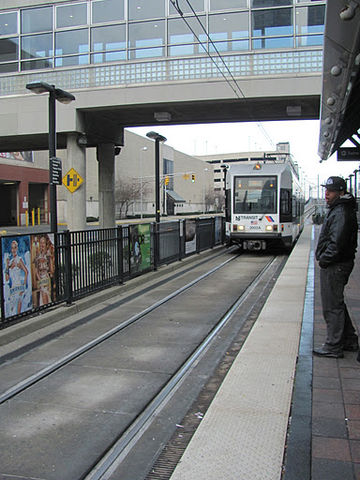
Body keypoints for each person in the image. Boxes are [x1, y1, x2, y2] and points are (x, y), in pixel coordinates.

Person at [313, 176, 358, 358]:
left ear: (341, 192)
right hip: (339, 263)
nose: (326, 195)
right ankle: (349, 339)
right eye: (325, 191)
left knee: (332, 306)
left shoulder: (340, 212)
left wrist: (324, 259)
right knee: (336, 302)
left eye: (330, 191)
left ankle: (333, 346)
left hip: (336, 265)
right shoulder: (341, 209)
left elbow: (336, 243)